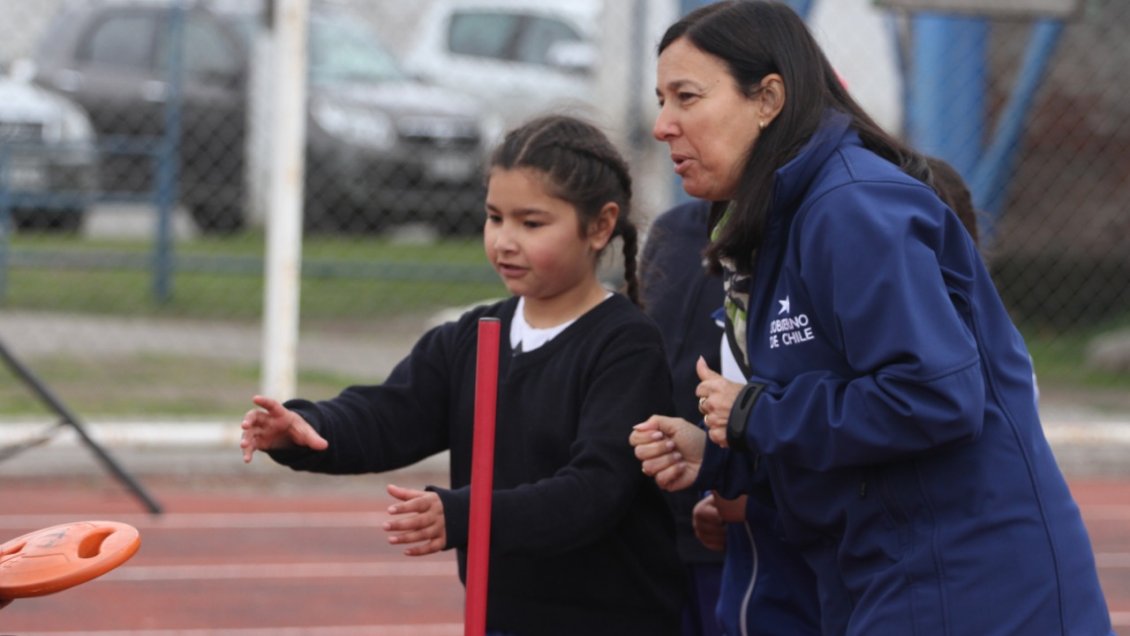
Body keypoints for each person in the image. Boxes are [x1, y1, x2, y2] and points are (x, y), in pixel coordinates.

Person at [631, 2, 1113, 635]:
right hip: (891, 575)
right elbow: (853, 419)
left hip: (964, 585)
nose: (663, 124)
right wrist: (723, 456)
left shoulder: (851, 208)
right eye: (661, 99)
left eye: (686, 97)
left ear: (768, 98)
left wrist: (754, 413)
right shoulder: (786, 219)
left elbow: (937, 396)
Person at [240, 114, 687, 636]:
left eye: (532, 223)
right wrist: (307, 426)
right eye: (495, 217)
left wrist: (465, 514)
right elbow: (390, 414)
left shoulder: (624, 345)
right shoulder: (471, 339)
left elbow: (593, 492)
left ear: (600, 226)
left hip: (611, 621)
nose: (505, 240)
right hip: (502, 615)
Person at [641, 198, 820, 636]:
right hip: (669, 532)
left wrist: (740, 486)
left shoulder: (804, 228)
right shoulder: (671, 230)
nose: (665, 129)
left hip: (757, 547)